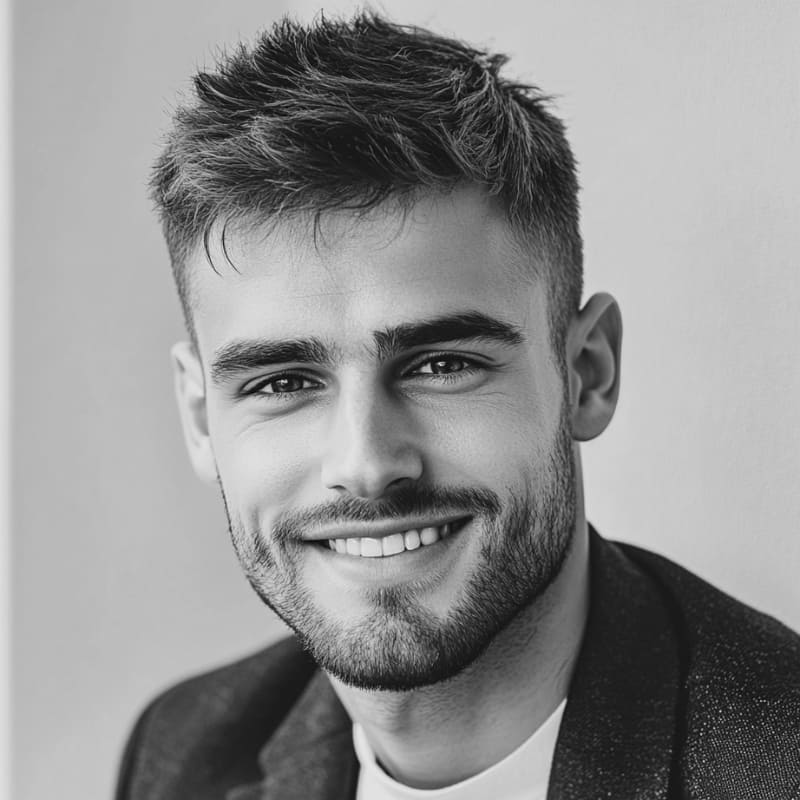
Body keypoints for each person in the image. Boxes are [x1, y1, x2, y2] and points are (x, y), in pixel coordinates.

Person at [116, 12, 800, 799]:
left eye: (441, 364)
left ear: (587, 372)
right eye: (282, 383)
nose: (367, 465)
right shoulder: (186, 752)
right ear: (202, 418)